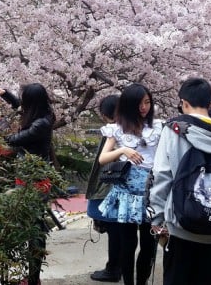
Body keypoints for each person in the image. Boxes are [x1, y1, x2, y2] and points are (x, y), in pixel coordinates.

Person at [149, 78, 211, 285]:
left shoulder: (174, 130)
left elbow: (162, 175)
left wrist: (158, 217)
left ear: (183, 102)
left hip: (179, 222)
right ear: (210, 104)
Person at [0, 82, 55, 285]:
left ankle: (34, 278)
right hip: (28, 177)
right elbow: (21, 106)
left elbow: (14, 139)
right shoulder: (41, 114)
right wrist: (7, 95)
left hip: (35, 181)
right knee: (30, 225)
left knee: (34, 228)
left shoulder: (41, 124)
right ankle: (32, 276)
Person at [97, 84, 162, 285]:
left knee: (149, 243)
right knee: (128, 243)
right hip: (125, 191)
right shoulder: (116, 129)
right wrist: (123, 150)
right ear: (128, 105)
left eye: (147, 102)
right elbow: (103, 158)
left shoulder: (159, 127)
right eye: (139, 103)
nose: (144, 107)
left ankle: (141, 282)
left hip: (151, 190)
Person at [85, 94, 122, 282]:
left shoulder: (114, 130)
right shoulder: (133, 127)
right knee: (121, 230)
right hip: (126, 186)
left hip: (113, 186)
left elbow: (104, 162)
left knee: (115, 229)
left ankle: (114, 268)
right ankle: (119, 266)